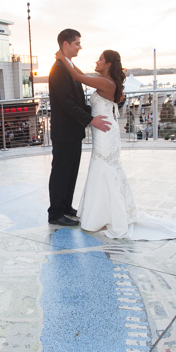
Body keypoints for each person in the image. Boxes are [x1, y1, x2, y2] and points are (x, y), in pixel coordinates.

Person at [54, 48, 176, 240]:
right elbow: (81, 75)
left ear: (108, 64)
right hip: (104, 129)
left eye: (100, 59)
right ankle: (102, 213)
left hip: (105, 132)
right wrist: (67, 60)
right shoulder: (107, 81)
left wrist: (64, 58)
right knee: (103, 168)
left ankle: (105, 215)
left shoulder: (105, 82)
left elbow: (77, 76)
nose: (97, 61)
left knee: (104, 168)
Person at [47, 29, 111, 226]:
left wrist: (94, 113)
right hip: (64, 132)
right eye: (77, 43)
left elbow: (77, 100)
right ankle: (55, 213)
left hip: (73, 132)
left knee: (71, 171)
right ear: (65, 44)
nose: (79, 47)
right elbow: (67, 103)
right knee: (61, 172)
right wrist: (91, 120)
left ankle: (66, 207)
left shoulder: (68, 66)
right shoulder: (58, 69)